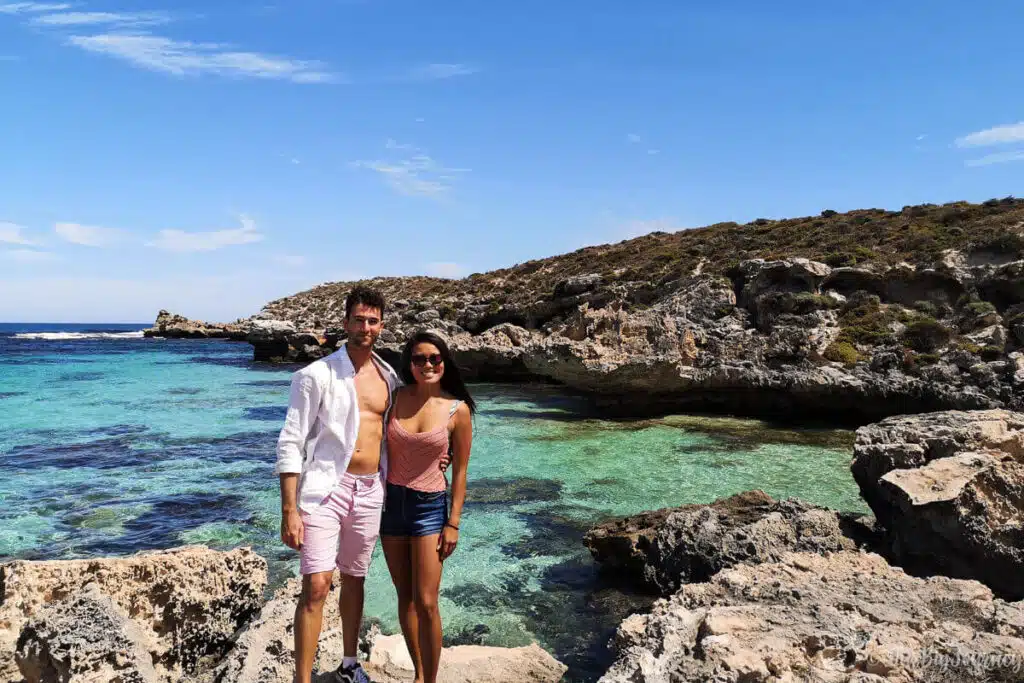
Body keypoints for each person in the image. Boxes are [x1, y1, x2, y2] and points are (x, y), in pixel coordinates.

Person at [276, 285, 430, 683]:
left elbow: (402, 429)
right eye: (358, 319)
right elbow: (291, 442)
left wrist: (439, 454)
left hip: (370, 490)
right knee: (317, 584)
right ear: (345, 323)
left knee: (355, 578)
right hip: (326, 490)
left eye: (373, 320)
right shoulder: (315, 376)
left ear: (381, 325)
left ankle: (349, 663)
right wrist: (289, 510)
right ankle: (302, 678)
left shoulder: (389, 376)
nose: (365, 327)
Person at [380, 330, 475, 683]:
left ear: (444, 362)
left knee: (427, 601)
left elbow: (462, 471)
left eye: (434, 358)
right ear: (409, 364)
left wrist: (453, 522)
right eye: (419, 359)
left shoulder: (458, 410)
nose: (428, 364)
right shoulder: (394, 398)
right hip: (391, 505)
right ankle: (419, 674)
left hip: (429, 508)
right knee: (404, 598)